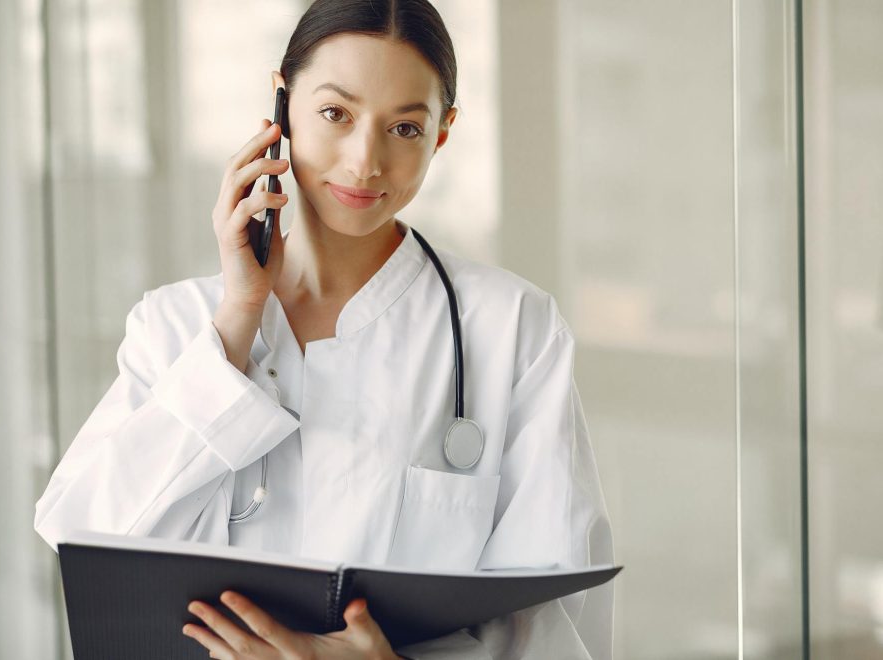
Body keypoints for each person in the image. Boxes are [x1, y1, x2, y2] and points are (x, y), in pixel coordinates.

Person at [33, 0, 614, 657]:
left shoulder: (513, 328)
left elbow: (556, 615)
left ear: (443, 132)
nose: (366, 161)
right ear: (281, 103)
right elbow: (84, 539)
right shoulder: (176, 326)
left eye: (405, 128)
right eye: (336, 113)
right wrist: (237, 320)